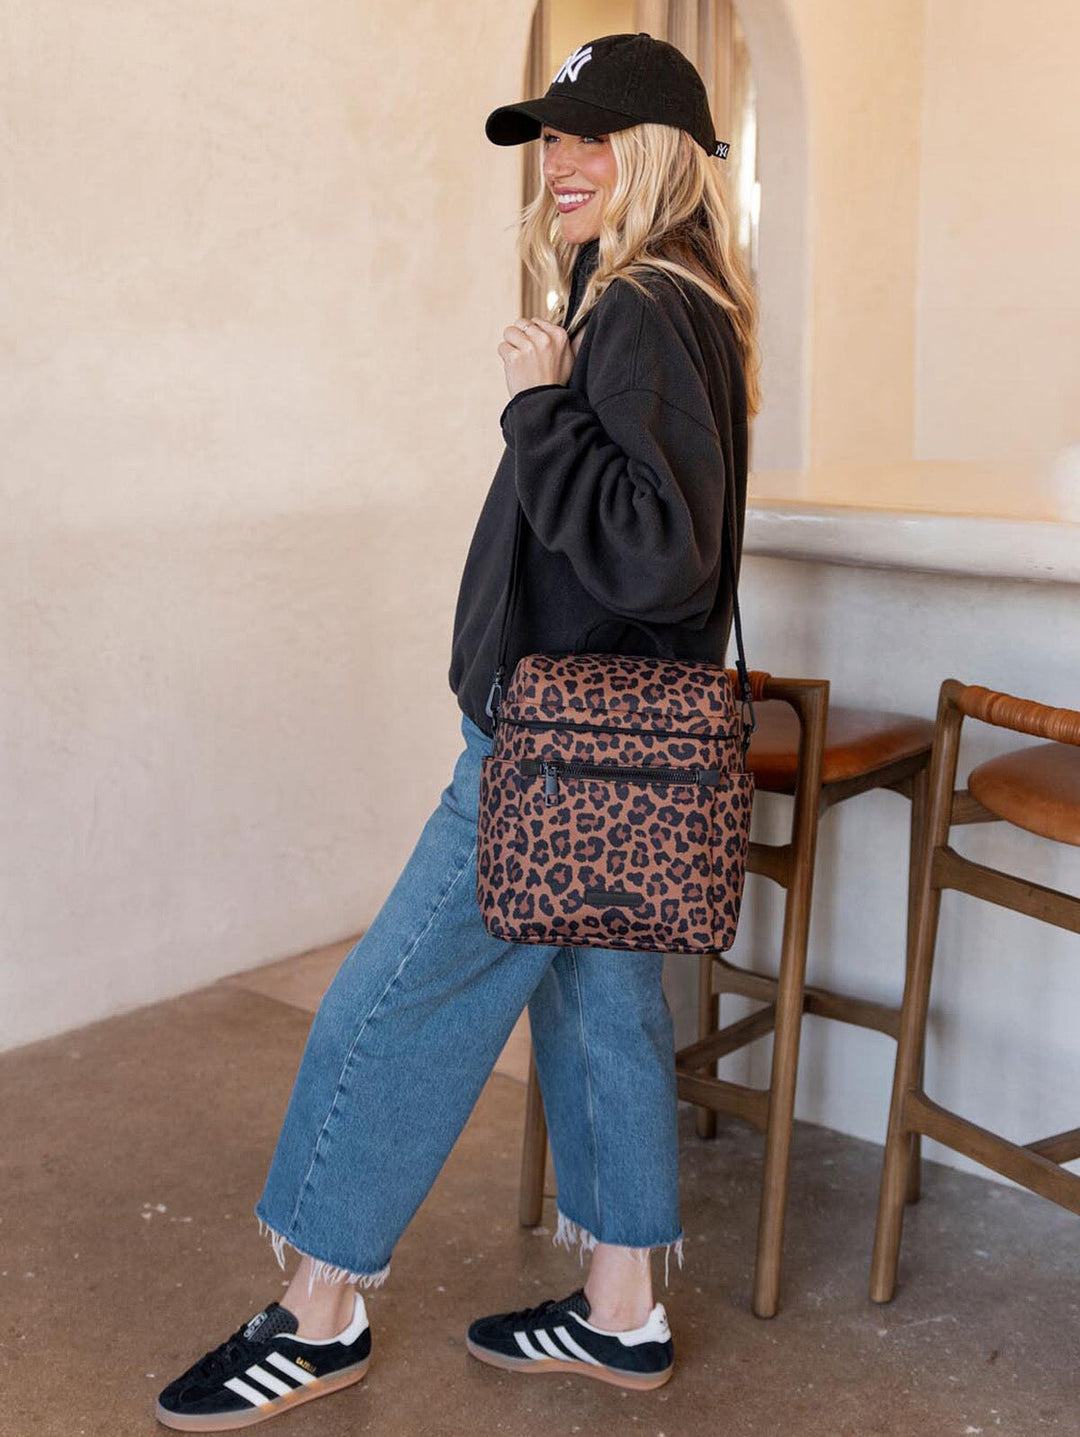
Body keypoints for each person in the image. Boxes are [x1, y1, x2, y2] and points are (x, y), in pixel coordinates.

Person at [156, 31, 759, 1430]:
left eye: (591, 138)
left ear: (658, 153)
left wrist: (537, 406)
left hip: (552, 745)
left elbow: (655, 554)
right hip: (611, 747)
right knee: (599, 1008)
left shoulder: (641, 306)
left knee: (387, 1004)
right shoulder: (675, 297)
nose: (561, 164)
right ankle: (622, 1313)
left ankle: (318, 1317)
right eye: (551, 139)